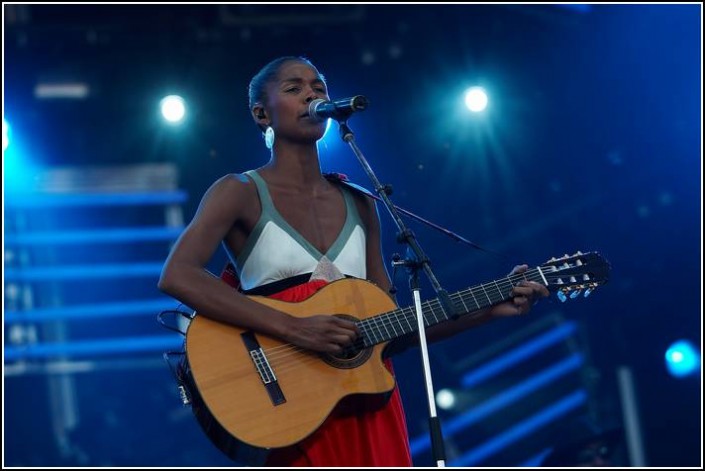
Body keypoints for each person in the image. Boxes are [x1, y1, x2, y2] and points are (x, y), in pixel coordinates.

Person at [158, 55, 550, 467]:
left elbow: (392, 328)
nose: (312, 93)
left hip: (368, 403)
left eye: (319, 87)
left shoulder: (363, 202)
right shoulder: (238, 191)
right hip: (293, 404)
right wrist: (294, 328)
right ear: (261, 113)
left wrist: (493, 309)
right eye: (294, 89)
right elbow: (177, 275)